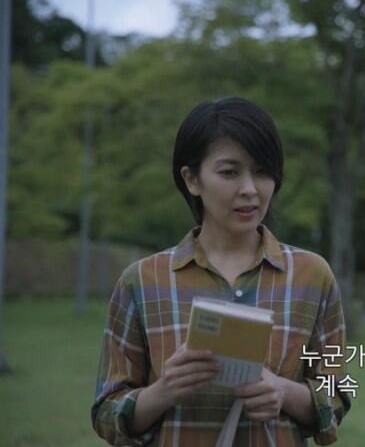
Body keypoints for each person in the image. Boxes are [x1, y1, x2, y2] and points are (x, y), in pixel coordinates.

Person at [91, 97, 350, 446]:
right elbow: (106, 413)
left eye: (262, 171)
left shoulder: (312, 276)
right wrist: (163, 391)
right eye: (229, 172)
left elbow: (336, 393)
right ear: (192, 179)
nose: (250, 189)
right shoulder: (141, 281)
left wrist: (284, 392)